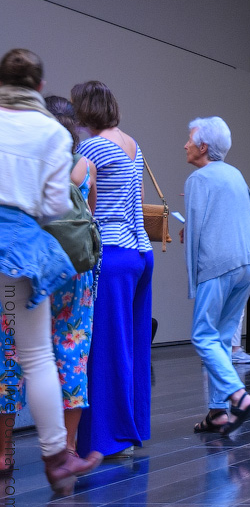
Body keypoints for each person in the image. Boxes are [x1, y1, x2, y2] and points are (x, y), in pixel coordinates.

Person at [0, 50, 102, 490]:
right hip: (18, 255)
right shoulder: (51, 133)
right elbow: (57, 205)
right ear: (39, 87)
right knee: (36, 355)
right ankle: (58, 458)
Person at [73, 80, 154, 459]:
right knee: (133, 346)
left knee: (104, 349)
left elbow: (75, 199)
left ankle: (107, 439)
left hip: (112, 255)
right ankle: (130, 428)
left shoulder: (90, 146)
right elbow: (137, 201)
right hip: (140, 254)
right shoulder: (133, 145)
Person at [183, 116, 250, 435]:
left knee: (203, 334)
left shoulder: (198, 180)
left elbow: (196, 233)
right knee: (223, 338)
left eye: (189, 139)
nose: (185, 144)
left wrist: (193, 280)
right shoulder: (236, 174)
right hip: (247, 263)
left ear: (203, 147)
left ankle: (239, 397)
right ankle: (218, 412)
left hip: (218, 264)